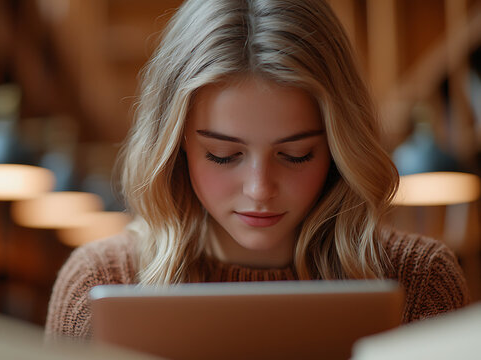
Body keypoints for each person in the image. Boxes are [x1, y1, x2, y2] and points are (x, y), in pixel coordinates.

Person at [44, 0, 470, 340]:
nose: (260, 189)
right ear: (175, 147)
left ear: (341, 148)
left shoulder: (419, 282)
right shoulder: (98, 283)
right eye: (223, 155)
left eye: (297, 153)